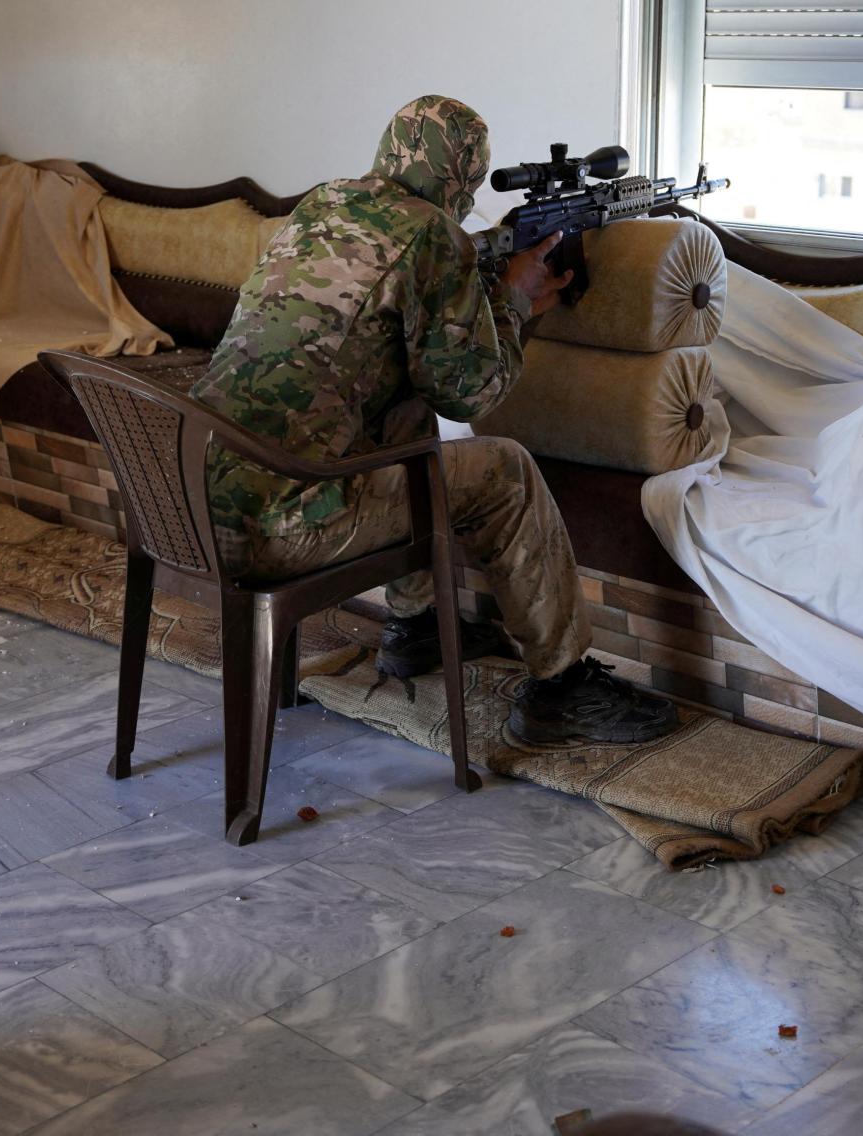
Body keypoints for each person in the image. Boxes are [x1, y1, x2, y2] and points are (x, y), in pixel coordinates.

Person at [191, 95, 676, 745]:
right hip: (282, 525)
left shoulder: (323, 205)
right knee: (506, 469)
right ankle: (562, 686)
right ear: (467, 176)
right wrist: (515, 300)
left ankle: (413, 627)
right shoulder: (432, 235)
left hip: (196, 496)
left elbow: (415, 372)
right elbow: (472, 397)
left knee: (403, 401)